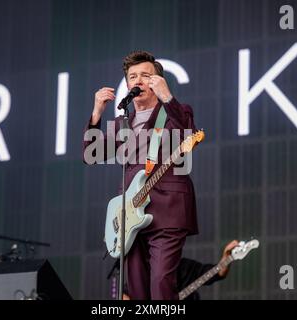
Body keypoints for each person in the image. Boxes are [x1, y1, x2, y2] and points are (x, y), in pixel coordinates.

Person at [83, 50, 198, 300]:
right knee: (136, 290)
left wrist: (168, 97)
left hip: (168, 210)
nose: (138, 80)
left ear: (158, 81)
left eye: (146, 75)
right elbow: (91, 154)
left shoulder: (177, 111)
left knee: (161, 281)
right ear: (127, 85)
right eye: (133, 76)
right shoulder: (122, 122)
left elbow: (189, 135)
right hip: (131, 214)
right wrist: (96, 114)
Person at [114, 240, 239, 300]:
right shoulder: (146, 273)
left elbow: (218, 273)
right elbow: (125, 296)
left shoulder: (184, 267)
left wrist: (227, 258)